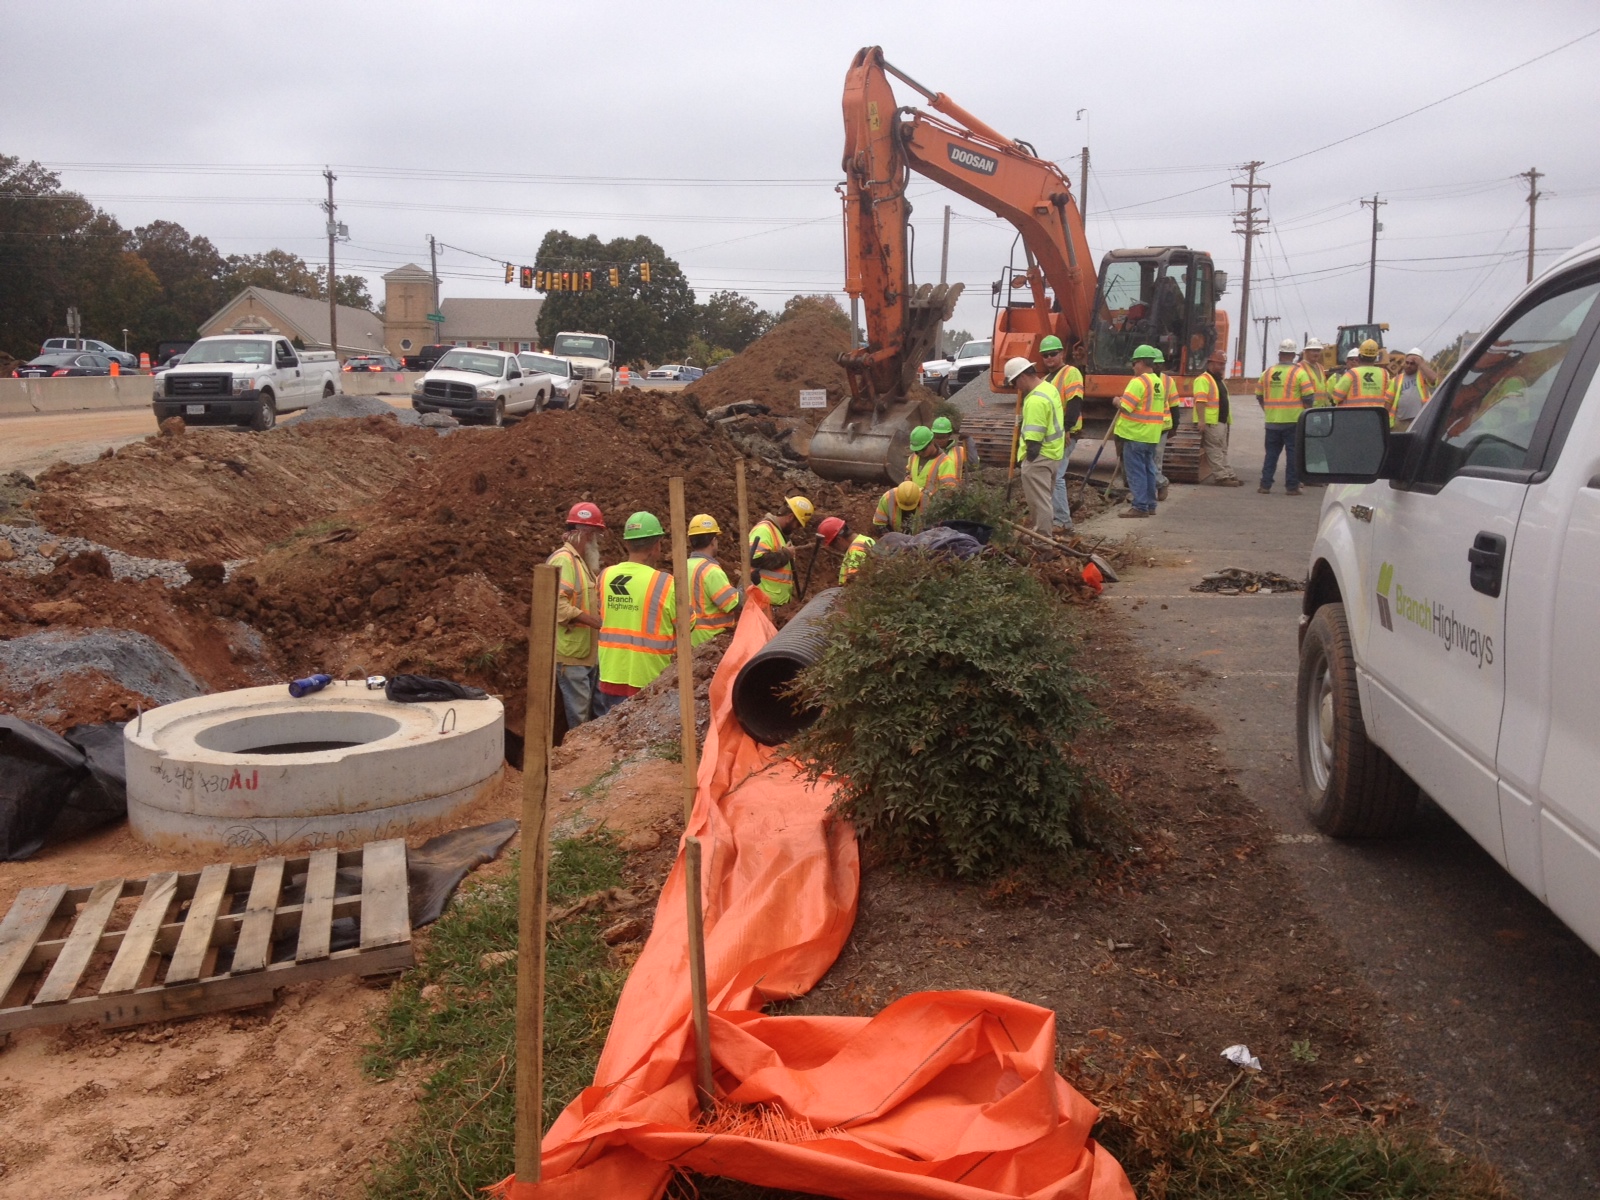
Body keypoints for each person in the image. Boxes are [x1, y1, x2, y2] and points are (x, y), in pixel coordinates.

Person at [596, 511, 676, 713]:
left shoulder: (604, 577)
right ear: (656, 546)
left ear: (626, 544)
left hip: (610, 677)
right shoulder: (665, 583)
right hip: (650, 682)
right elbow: (688, 624)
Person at [548, 501, 606, 730]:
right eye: (595, 535)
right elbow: (558, 606)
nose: (596, 541)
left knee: (590, 715)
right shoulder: (564, 560)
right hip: (572, 656)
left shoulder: (581, 562)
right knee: (579, 719)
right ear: (586, 534)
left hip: (586, 653)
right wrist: (595, 622)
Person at [1005, 356, 1064, 534]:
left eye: (1014, 382)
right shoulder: (1049, 388)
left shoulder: (1035, 401)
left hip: (1039, 459)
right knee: (1045, 500)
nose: (1016, 388)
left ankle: (1042, 541)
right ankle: (1043, 536)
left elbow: (1033, 442)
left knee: (1039, 504)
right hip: (1053, 454)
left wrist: (1028, 463)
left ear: (1022, 377)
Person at [1113, 345, 1168, 517]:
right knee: (1149, 470)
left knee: (1136, 472)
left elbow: (1126, 407)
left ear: (1142, 362)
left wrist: (1116, 401)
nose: (1133, 367)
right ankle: (1150, 504)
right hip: (1151, 435)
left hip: (1135, 434)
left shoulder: (1138, 382)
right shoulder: (1158, 382)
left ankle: (1140, 506)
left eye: (1134, 363)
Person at [1256, 337, 1315, 494]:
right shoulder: (1299, 373)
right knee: (1293, 456)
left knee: (1271, 455)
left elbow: (1259, 396)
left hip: (1272, 422)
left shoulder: (1267, 373)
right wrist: (1305, 414)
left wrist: (1268, 410)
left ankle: (1265, 485)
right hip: (1293, 421)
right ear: (1294, 355)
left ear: (1279, 354)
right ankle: (1292, 486)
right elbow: (1308, 398)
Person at [1039, 334, 1082, 532]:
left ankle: (1063, 521)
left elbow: (1075, 402)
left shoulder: (1070, 373)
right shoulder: (1045, 379)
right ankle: (1058, 518)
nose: (1049, 358)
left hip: (1065, 434)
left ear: (1062, 354)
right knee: (1052, 476)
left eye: (1053, 354)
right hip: (1052, 435)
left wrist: (1067, 429)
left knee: (1057, 477)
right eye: (1045, 355)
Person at [749, 495, 814, 607]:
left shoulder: (780, 534)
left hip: (773, 602)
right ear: (790, 517)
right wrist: (786, 554)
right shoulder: (764, 530)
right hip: (762, 602)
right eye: (798, 524)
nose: (797, 528)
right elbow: (755, 560)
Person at [685, 513, 740, 645]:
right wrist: (744, 586)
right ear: (713, 541)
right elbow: (733, 603)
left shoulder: (683, 566)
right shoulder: (711, 571)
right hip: (711, 640)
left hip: (689, 640)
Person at [1191, 351, 1242, 485]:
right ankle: (1221, 477)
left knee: (1222, 449)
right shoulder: (1203, 380)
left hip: (1221, 421)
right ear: (1211, 363)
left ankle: (1229, 474)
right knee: (1214, 449)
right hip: (1211, 422)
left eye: (1223, 364)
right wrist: (1201, 420)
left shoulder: (1218, 380)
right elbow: (1200, 401)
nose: (1222, 367)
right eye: (1220, 364)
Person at [1329, 338, 1397, 426]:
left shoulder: (1352, 373)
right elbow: (1390, 398)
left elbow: (1336, 397)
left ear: (1360, 356)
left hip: (1353, 420)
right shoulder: (1384, 374)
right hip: (1376, 419)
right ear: (1376, 357)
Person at [1388, 347, 1437, 430]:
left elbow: (1433, 379)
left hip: (1420, 420)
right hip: (1400, 421)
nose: (1409, 365)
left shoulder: (1423, 376)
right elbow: (1388, 401)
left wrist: (1421, 364)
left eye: (1412, 363)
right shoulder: (1396, 379)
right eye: (1407, 363)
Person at [819, 516, 875, 584]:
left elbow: (854, 583)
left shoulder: (856, 550)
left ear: (839, 540)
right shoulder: (866, 540)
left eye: (832, 545)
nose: (835, 549)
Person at [905, 425, 940, 497]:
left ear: (932, 442)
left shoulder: (944, 462)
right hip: (914, 502)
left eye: (922, 449)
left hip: (932, 504)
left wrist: (923, 492)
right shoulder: (912, 458)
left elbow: (948, 491)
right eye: (916, 451)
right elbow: (909, 474)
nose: (920, 453)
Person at [1300, 339, 1329, 407]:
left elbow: (1324, 390)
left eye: (1318, 351)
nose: (1316, 353)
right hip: (1308, 409)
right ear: (1306, 352)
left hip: (1321, 409)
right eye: (1313, 351)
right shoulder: (1300, 367)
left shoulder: (1321, 368)